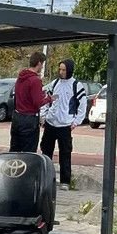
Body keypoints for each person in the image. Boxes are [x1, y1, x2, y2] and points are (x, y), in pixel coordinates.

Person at [39, 59, 87, 189]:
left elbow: (82, 105)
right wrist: (43, 116)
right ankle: (45, 177)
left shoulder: (76, 86)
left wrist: (76, 121)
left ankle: (65, 181)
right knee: (46, 151)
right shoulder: (54, 84)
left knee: (65, 153)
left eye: (64, 70)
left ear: (69, 70)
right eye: (60, 69)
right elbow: (44, 99)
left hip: (65, 125)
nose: (61, 72)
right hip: (50, 123)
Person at [9, 51, 54, 152]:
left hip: (17, 117)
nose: (42, 67)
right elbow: (37, 102)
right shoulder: (35, 80)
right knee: (28, 151)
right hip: (29, 119)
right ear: (39, 63)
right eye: (42, 64)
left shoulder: (21, 77)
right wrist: (49, 98)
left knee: (15, 148)